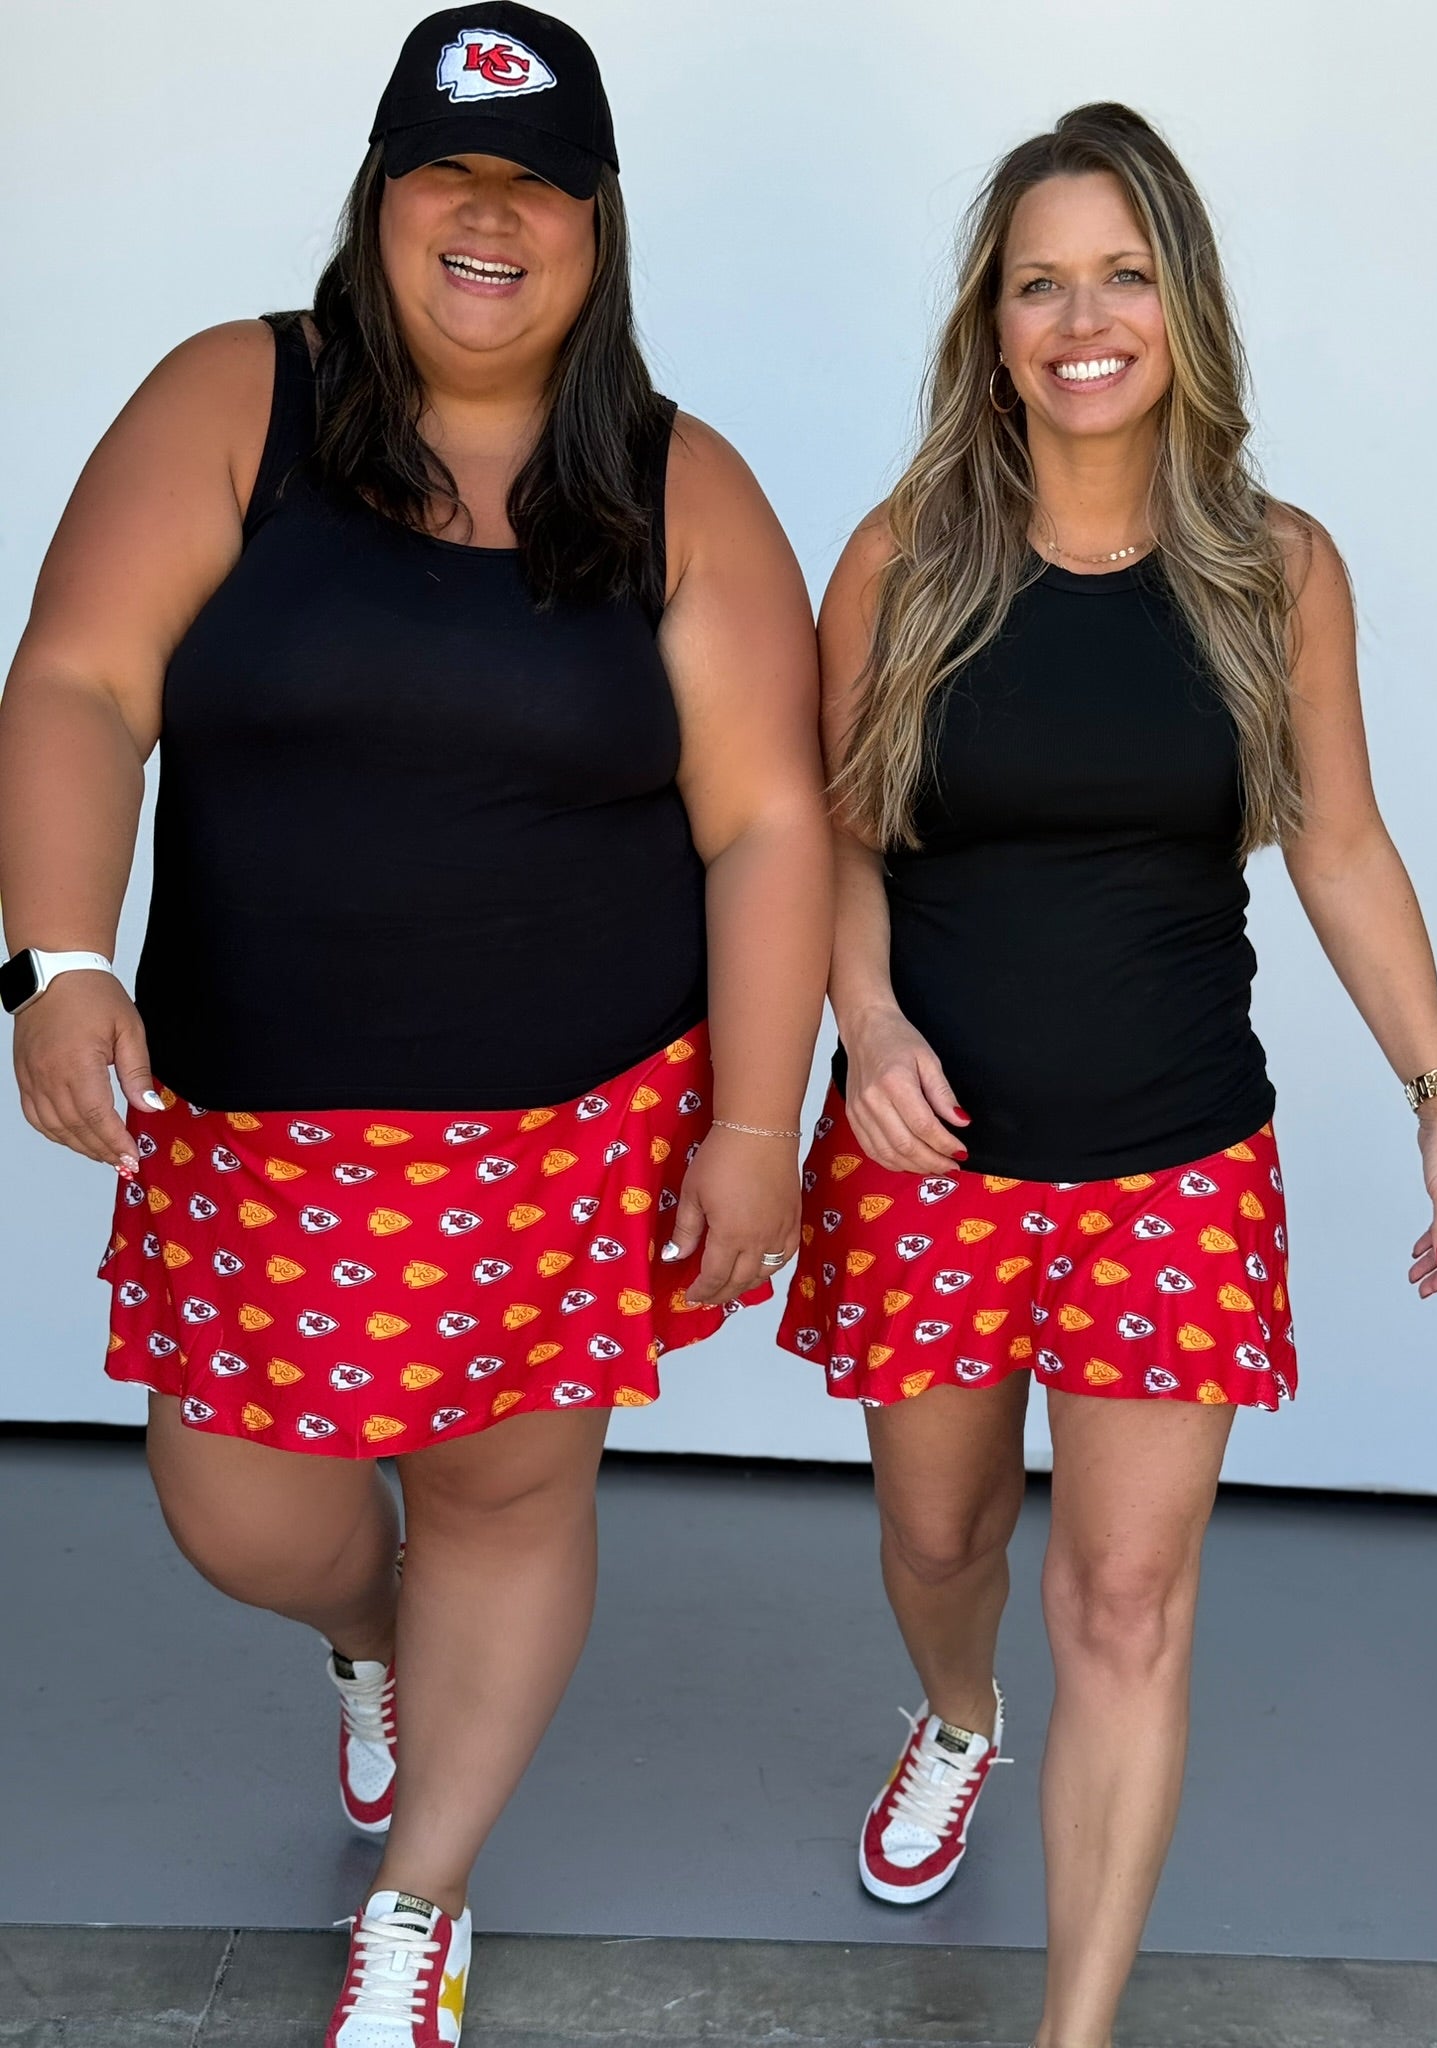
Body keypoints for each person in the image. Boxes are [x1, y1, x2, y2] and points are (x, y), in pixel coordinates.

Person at [0, 6, 829, 2039]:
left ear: (597, 225)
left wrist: (751, 1127)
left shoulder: (678, 484)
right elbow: (81, 680)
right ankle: (376, 1639)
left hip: (566, 1123)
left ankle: (424, 1891)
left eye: (538, 184)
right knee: (238, 1506)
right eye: (449, 173)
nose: (491, 216)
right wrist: (58, 957)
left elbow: (769, 823)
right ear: (381, 199)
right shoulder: (237, 399)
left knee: (502, 1496)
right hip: (254, 1118)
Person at [779, 102, 1437, 2048]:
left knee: (1124, 1601)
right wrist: (873, 1028)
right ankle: (960, 1716)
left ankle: (1072, 2029)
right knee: (943, 1542)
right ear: (992, 324)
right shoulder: (904, 559)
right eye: (1042, 284)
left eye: (1123, 276)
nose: (1083, 320)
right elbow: (831, 832)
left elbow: (1339, 842)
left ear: (1184, 306)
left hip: (1176, 1165)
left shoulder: (1274, 568)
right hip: (932, 1161)